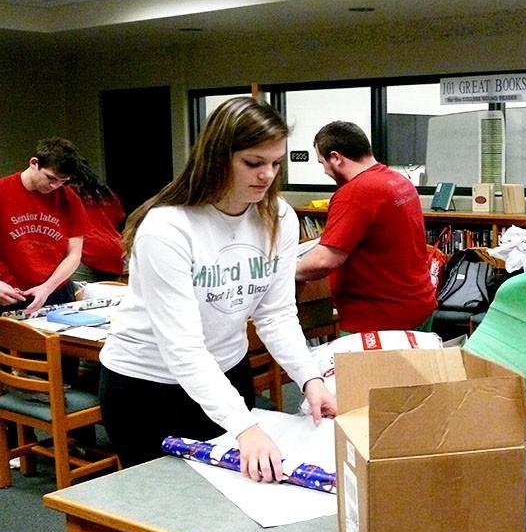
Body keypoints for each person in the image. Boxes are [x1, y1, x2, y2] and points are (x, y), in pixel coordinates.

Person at [99, 97, 335, 477]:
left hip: (226, 373)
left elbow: (275, 315)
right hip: (148, 387)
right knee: (163, 514)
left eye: (276, 163)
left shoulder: (278, 218)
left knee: (232, 506)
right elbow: (183, 347)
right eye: (253, 163)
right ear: (216, 157)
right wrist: (244, 427)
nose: (267, 176)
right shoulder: (167, 227)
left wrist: (309, 377)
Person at [295, 121, 436, 333]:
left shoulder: (355, 192)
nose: (324, 171)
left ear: (336, 157)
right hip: (416, 306)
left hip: (380, 320)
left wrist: (286, 272)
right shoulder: (398, 181)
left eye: (322, 162)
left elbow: (325, 260)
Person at [0, 137, 86, 315]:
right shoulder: (3, 191)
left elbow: (74, 254)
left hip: (55, 292)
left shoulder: (70, 200)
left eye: (62, 181)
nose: (55, 186)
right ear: (34, 163)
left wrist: (47, 287)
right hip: (8, 294)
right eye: (50, 178)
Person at [66, 156, 127, 283]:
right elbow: (118, 219)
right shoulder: (106, 193)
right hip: (115, 251)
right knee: (111, 298)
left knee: (80, 298)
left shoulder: (67, 193)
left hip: (86, 252)